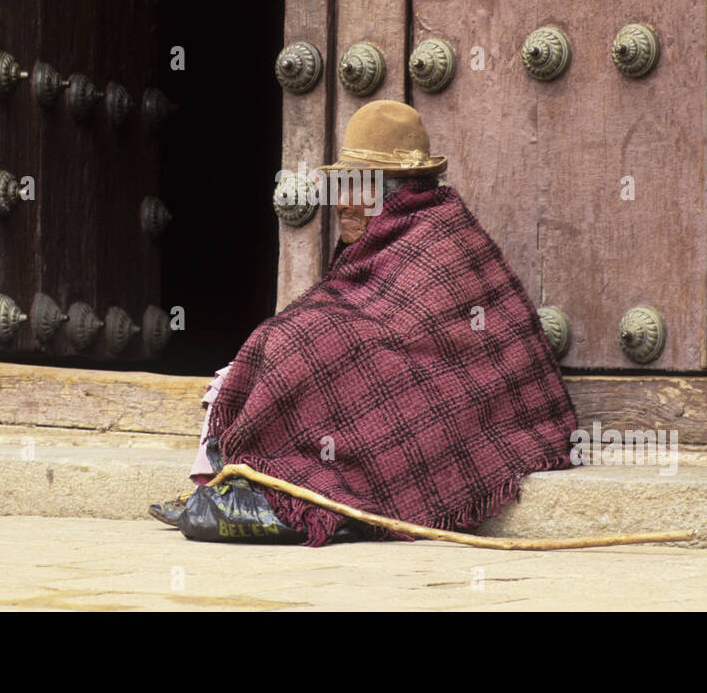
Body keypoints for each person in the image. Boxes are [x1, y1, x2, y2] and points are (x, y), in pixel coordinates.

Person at [149, 99, 577, 546]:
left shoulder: (445, 235)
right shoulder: (379, 239)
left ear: (401, 191)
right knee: (291, 339)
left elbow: (421, 344)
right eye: (343, 186)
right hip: (393, 387)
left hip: (459, 416)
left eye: (361, 188)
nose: (343, 204)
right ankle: (239, 482)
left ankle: (297, 497)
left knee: (306, 343)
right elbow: (365, 318)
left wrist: (321, 341)